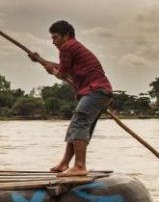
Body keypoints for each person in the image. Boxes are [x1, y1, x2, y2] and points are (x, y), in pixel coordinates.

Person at [29, 20, 112, 177]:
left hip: (95, 91)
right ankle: (64, 163)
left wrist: (51, 71)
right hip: (100, 92)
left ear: (66, 36)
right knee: (77, 125)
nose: (53, 42)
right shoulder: (73, 47)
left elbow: (62, 73)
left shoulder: (67, 47)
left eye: (56, 38)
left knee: (79, 123)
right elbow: (63, 66)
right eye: (52, 38)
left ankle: (80, 166)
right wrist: (40, 60)